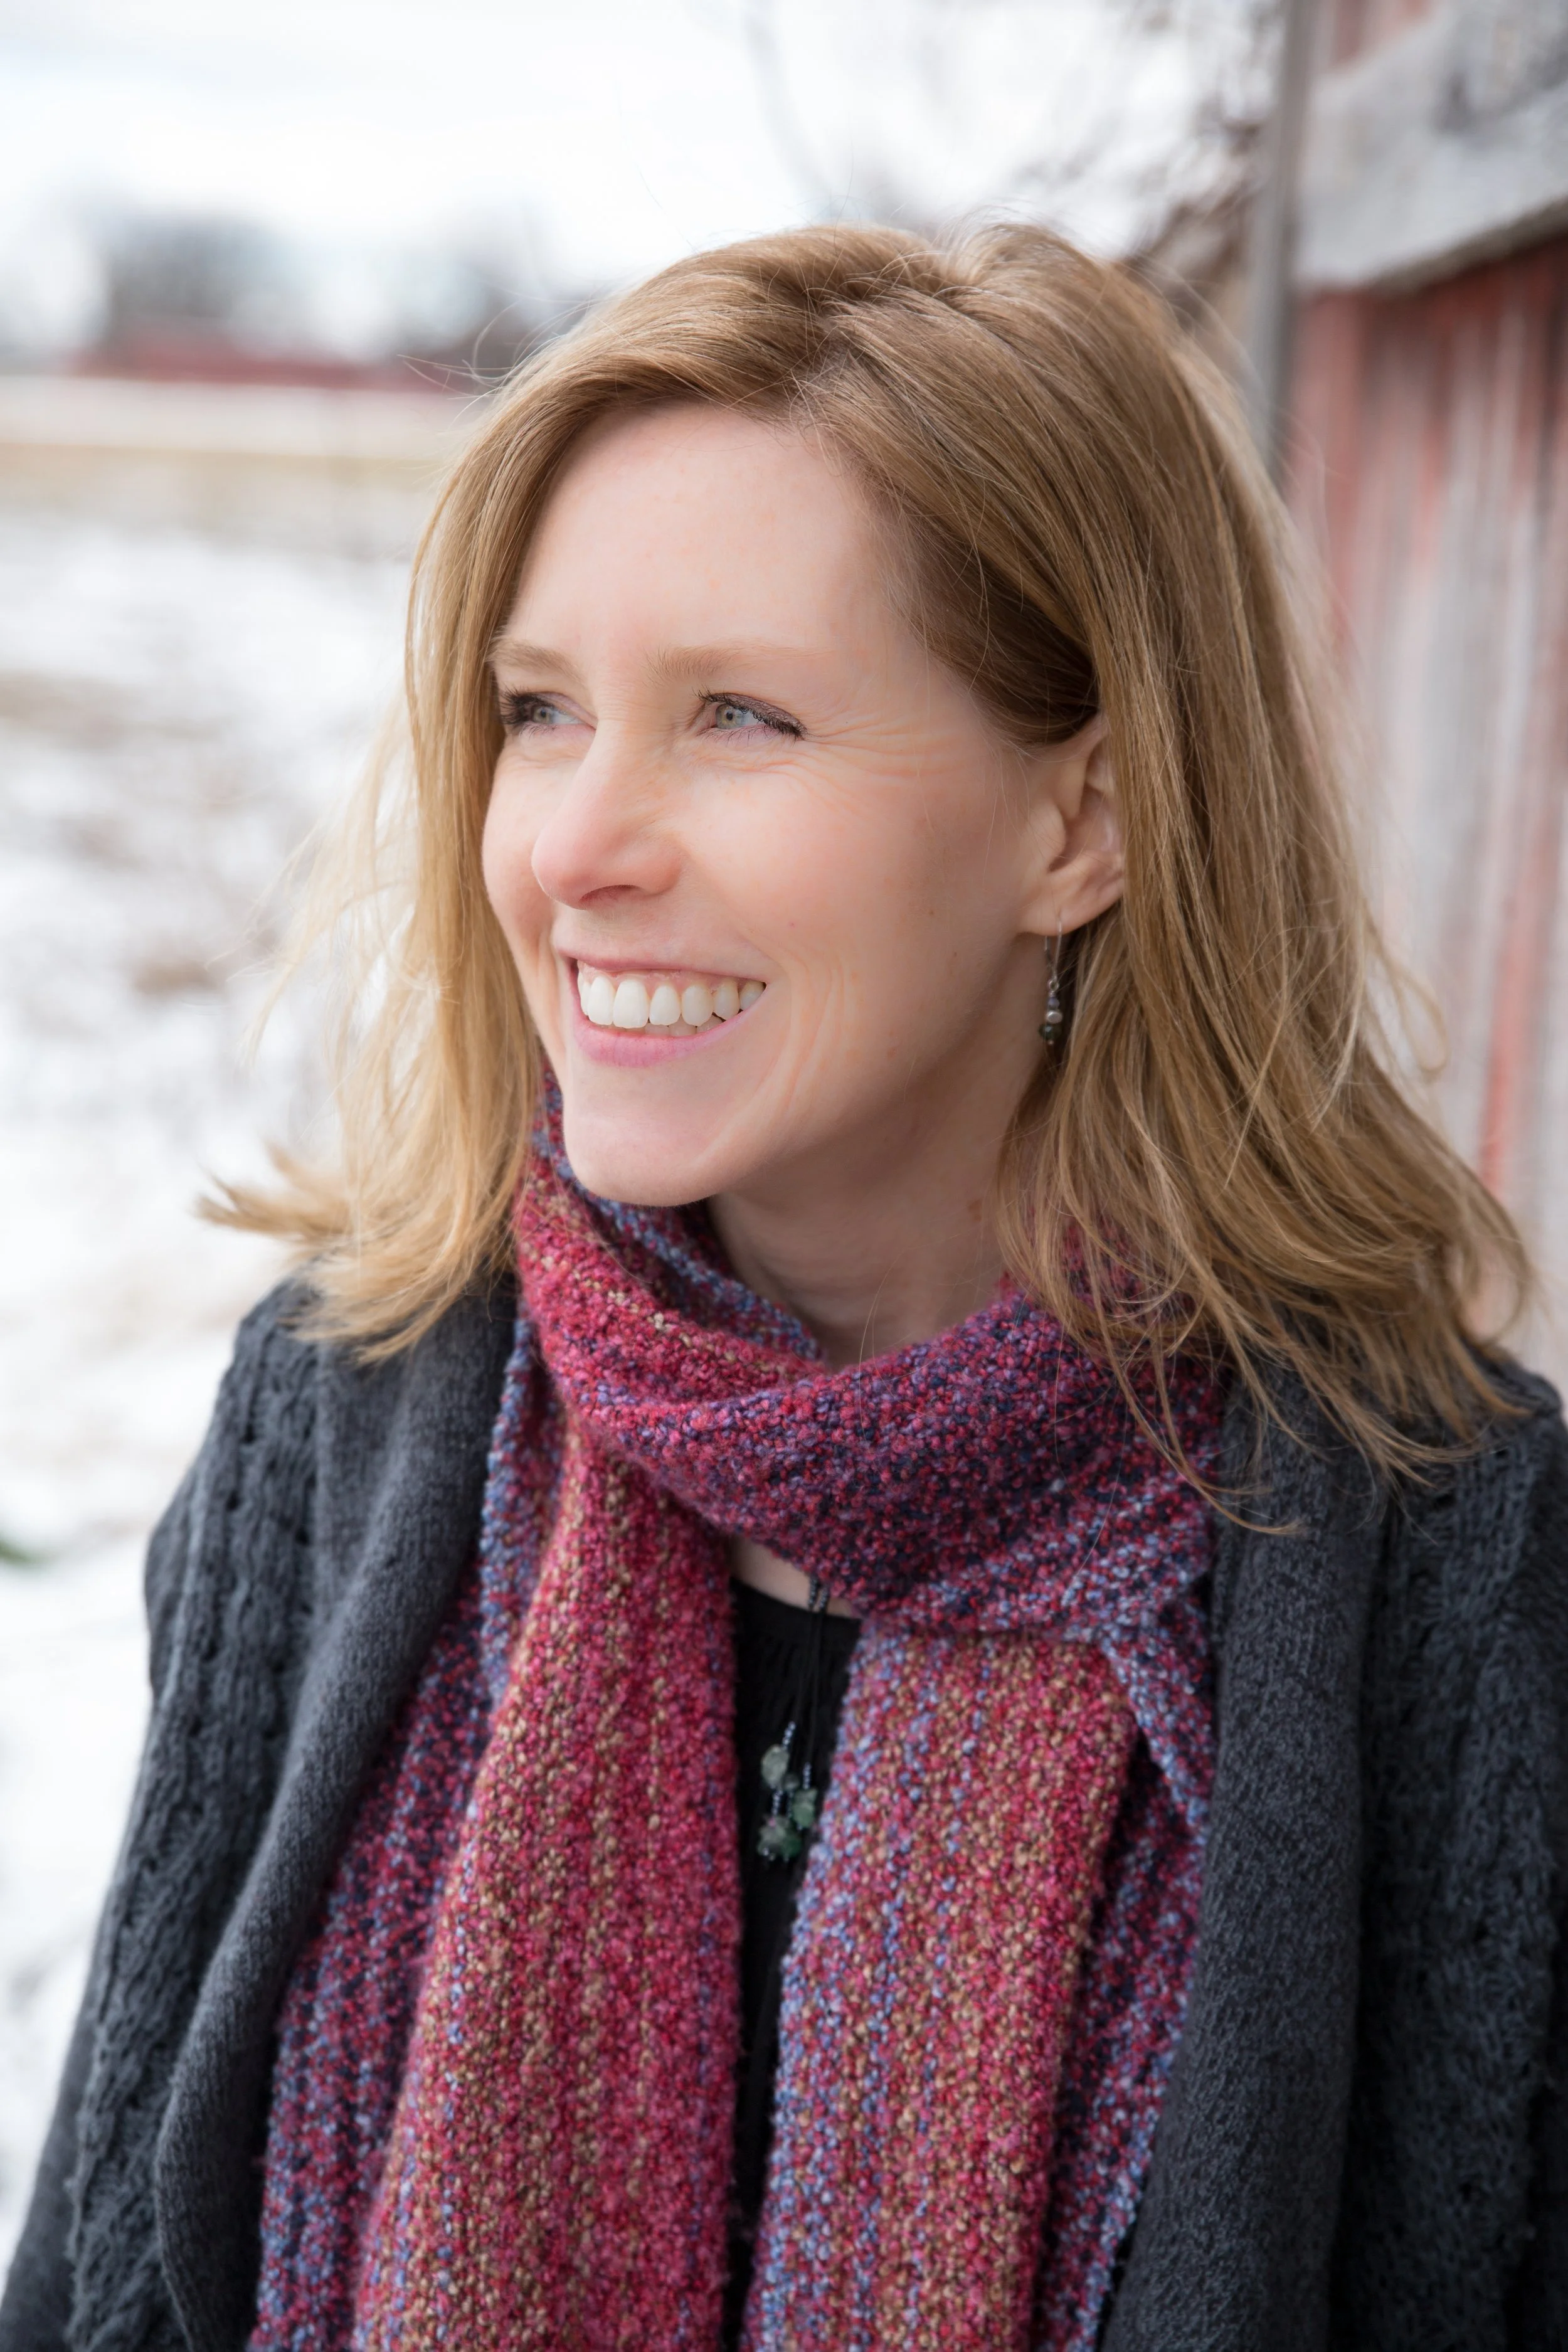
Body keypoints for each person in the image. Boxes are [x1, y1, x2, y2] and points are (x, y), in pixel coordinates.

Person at [3, 221, 1565, 2352]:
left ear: (1081, 818)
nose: (574, 844)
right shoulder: (351, 1409)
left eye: (737, 715)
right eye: (538, 712)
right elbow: (103, 2278)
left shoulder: (1450, 1561)